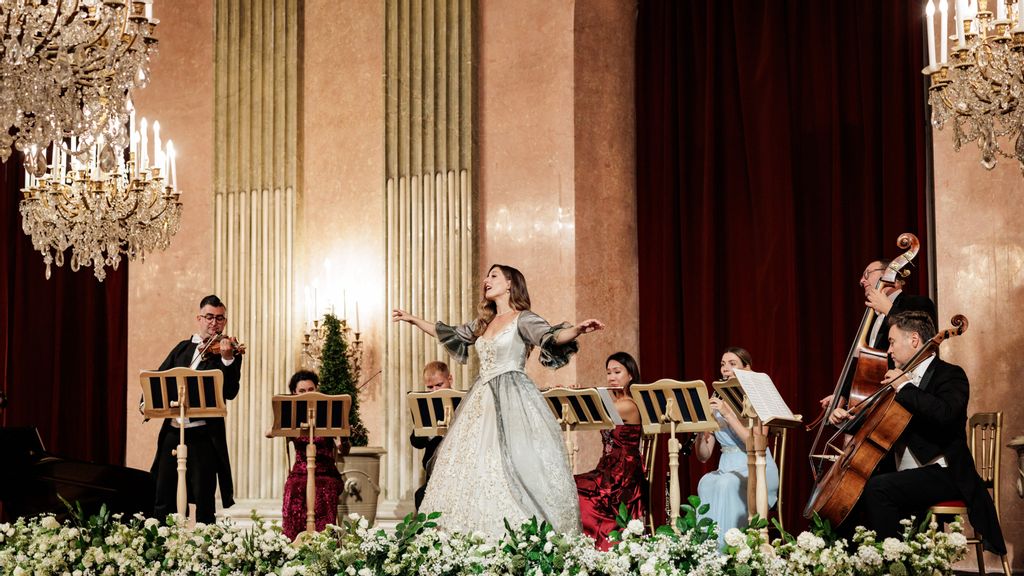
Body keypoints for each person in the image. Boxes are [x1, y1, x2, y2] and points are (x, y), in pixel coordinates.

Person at [392, 263, 604, 539]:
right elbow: (450, 333)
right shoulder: (484, 323)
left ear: (509, 284)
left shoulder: (523, 318)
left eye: (493, 276)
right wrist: (413, 319)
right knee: (472, 461)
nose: (486, 280)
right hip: (481, 397)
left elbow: (550, 336)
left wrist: (577, 329)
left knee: (516, 459)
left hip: (513, 394)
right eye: (486, 276)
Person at [832, 311, 1006, 554]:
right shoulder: (897, 379)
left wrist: (904, 387)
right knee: (851, 493)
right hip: (907, 475)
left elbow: (945, 414)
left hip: (946, 473)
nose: (888, 350)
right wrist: (845, 420)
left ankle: (894, 563)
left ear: (914, 340)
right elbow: (877, 425)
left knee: (878, 489)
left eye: (892, 342)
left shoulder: (950, 374)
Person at [151, 295, 242, 524]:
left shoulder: (229, 352)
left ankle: (202, 553)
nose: (214, 323)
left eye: (219, 318)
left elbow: (230, 391)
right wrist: (146, 402)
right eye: (209, 317)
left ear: (225, 321)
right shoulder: (183, 348)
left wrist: (228, 360)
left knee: (203, 497)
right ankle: (165, 545)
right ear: (199, 318)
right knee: (164, 492)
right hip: (174, 431)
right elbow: (160, 376)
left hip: (203, 435)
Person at [820, 259, 938, 417]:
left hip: (909, 400)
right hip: (877, 403)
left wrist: (889, 310)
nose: (861, 281)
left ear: (891, 275)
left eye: (867, 274)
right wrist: (842, 396)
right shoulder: (871, 318)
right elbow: (862, 362)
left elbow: (923, 340)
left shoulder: (918, 303)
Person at [695, 347, 779, 549]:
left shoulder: (758, 397)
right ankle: (707, 552)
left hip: (757, 466)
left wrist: (728, 415)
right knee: (706, 482)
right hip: (727, 465)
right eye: (723, 364)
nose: (726, 369)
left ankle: (729, 550)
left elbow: (756, 443)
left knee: (726, 484)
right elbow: (704, 456)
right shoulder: (718, 400)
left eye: (733, 364)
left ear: (747, 368)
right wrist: (700, 430)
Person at [574, 352, 647, 549]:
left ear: (630, 375)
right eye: (608, 373)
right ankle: (588, 543)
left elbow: (598, 413)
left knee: (580, 489)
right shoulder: (611, 401)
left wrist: (580, 398)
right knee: (571, 484)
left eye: (617, 372)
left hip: (624, 472)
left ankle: (602, 543)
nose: (612, 377)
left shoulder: (628, 404)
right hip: (608, 467)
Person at [279, 370, 343, 540]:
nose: (307, 395)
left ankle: (324, 542)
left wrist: (342, 443)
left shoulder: (329, 412)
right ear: (294, 393)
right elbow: (272, 430)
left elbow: (344, 449)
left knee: (325, 489)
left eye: (311, 390)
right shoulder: (290, 414)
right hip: (300, 472)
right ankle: (293, 543)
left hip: (326, 472)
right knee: (293, 488)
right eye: (302, 392)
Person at [410, 361, 453, 511]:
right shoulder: (424, 404)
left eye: (439, 385)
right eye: (429, 387)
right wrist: (429, 433)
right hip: (434, 471)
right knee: (421, 495)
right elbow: (416, 442)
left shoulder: (463, 400)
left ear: (450, 379)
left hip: (458, 468)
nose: (434, 391)